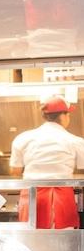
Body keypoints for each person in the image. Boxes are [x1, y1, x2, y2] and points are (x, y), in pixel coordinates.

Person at [11, 97, 84, 230]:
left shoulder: (23, 138)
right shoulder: (75, 141)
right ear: (63, 116)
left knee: (31, 240)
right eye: (68, 114)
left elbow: (15, 171)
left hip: (32, 197)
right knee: (62, 243)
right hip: (61, 198)